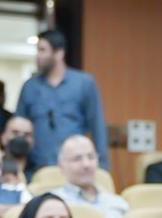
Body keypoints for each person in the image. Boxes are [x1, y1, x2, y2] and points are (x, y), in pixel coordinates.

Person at [13, 29, 107, 170]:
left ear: (59, 53)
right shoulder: (29, 87)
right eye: (37, 50)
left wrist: (103, 168)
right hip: (37, 167)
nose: (38, 56)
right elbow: (18, 126)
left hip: (75, 166)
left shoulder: (83, 83)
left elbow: (97, 125)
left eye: (42, 50)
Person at [47, 133, 128, 218]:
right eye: (77, 159)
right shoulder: (52, 203)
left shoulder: (118, 203)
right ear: (61, 166)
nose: (86, 164)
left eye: (91, 157)